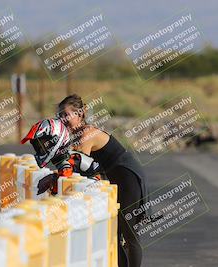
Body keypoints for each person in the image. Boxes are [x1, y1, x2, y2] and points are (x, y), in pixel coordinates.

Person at [57, 94, 150, 267]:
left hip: (128, 177)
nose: (63, 119)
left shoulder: (87, 133)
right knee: (114, 232)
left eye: (66, 114)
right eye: (60, 115)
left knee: (129, 233)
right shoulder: (76, 136)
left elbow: (77, 164)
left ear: (80, 114)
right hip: (116, 180)